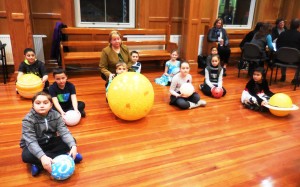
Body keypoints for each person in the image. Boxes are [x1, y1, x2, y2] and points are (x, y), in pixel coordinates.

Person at [20, 91, 83, 176]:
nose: (42, 105)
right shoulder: (28, 120)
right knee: (26, 156)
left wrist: (73, 146)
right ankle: (65, 157)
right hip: (35, 144)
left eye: (45, 103)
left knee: (72, 141)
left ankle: (39, 164)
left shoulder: (56, 115)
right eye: (38, 103)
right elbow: (31, 141)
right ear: (33, 105)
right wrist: (42, 156)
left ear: (51, 105)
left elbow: (64, 132)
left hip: (50, 141)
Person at [276, 18, 300, 83]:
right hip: (294, 60)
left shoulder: (282, 34)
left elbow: (277, 46)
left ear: (289, 25)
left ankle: (283, 76)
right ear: (298, 26)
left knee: (284, 54)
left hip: (281, 59)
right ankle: (296, 79)